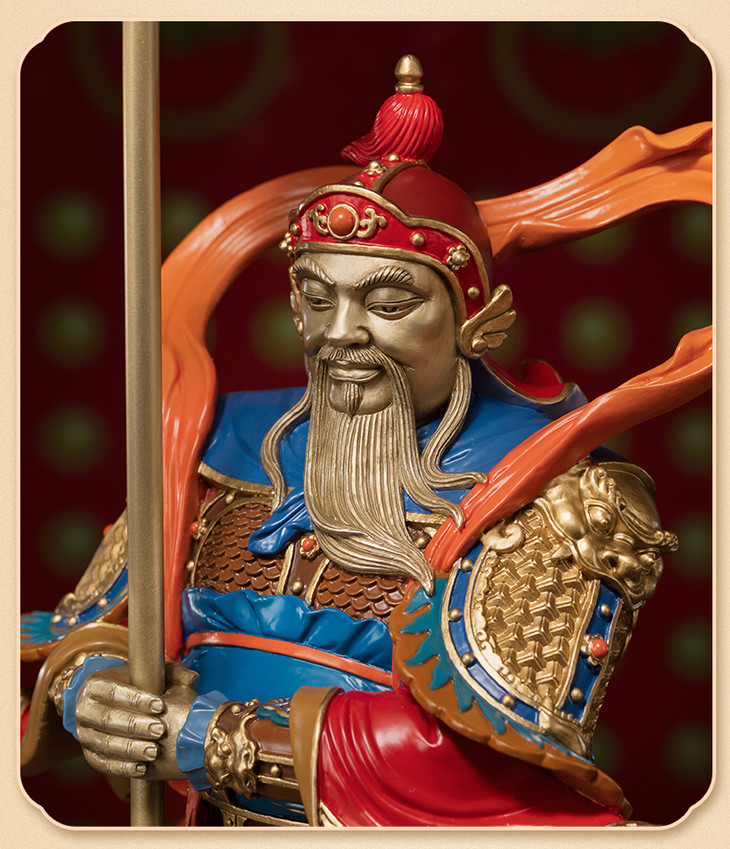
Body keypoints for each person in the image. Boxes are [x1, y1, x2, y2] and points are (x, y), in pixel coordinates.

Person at [20, 55, 711, 827]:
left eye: (388, 302)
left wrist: (219, 741)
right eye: (319, 299)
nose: (341, 333)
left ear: (477, 322)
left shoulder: (560, 492)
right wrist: (94, 687)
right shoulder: (212, 444)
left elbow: (485, 766)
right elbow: (84, 631)